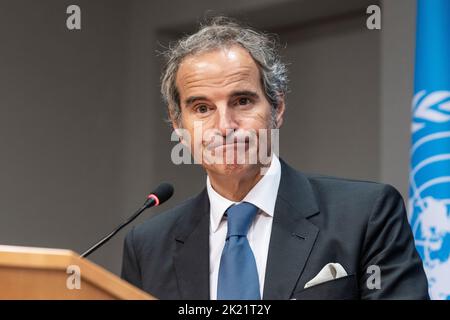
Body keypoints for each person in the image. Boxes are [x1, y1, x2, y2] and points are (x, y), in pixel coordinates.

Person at [121, 16, 429, 300]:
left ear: (277, 109)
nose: (225, 126)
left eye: (242, 101)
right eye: (202, 108)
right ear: (178, 124)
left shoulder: (366, 214)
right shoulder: (148, 246)